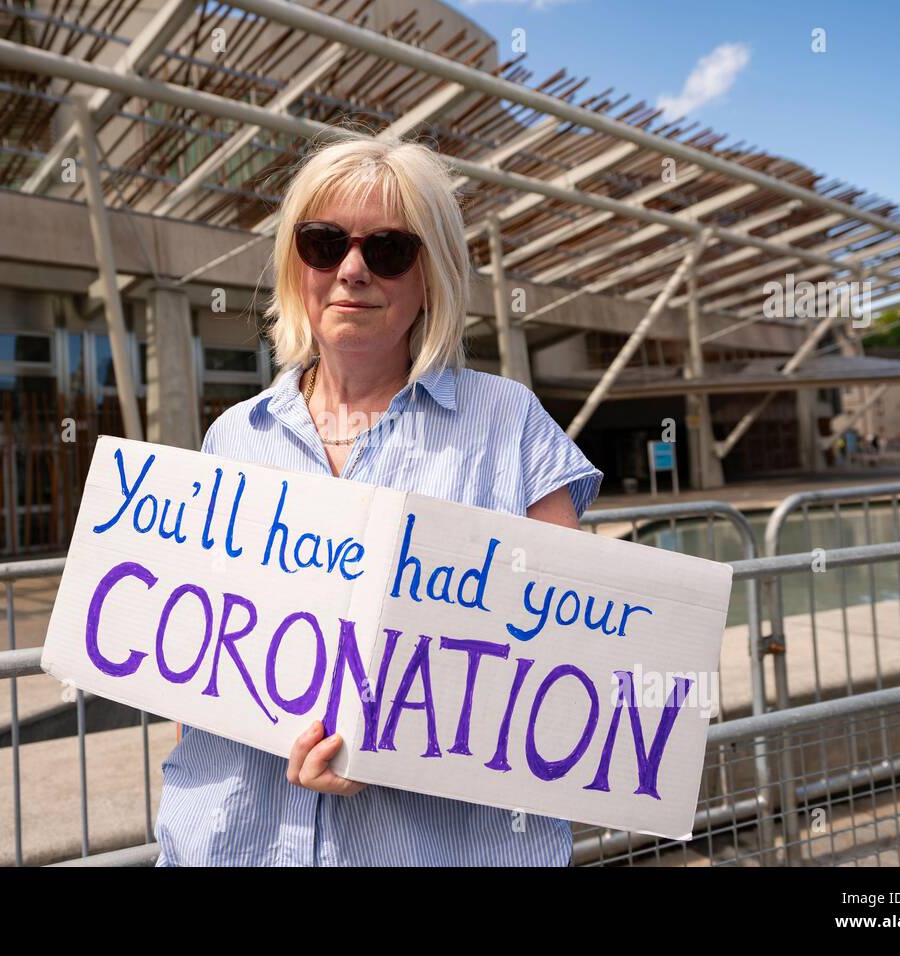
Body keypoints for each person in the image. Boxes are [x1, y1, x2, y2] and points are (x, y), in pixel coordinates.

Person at [152, 131, 604, 866]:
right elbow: (192, 671)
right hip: (235, 843)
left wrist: (400, 743)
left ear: (432, 275)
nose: (352, 269)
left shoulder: (509, 425)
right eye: (323, 242)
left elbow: (574, 662)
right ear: (295, 264)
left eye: (389, 249)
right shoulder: (232, 437)